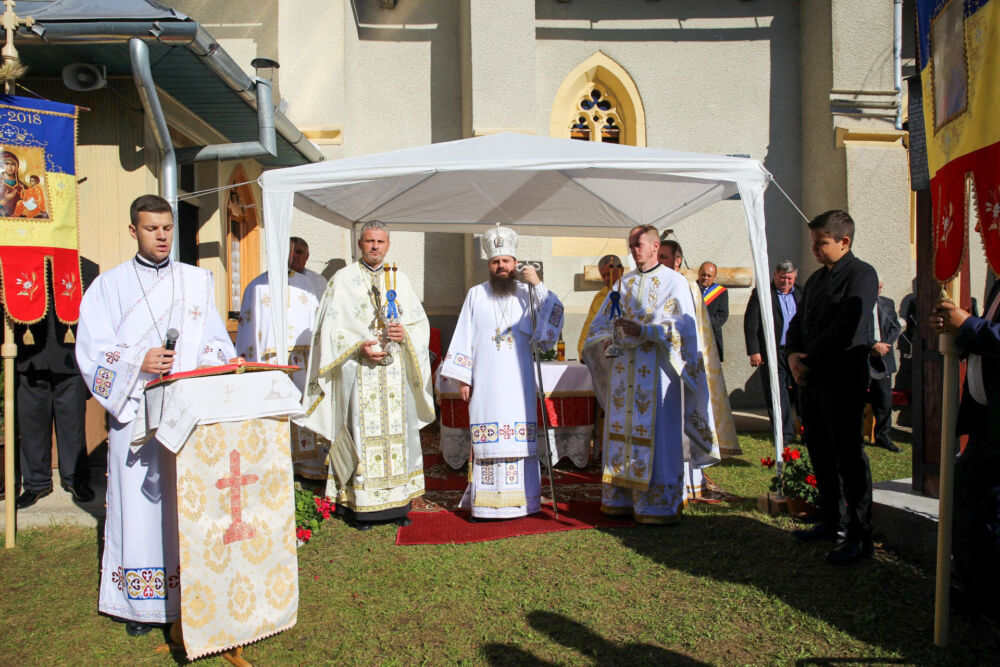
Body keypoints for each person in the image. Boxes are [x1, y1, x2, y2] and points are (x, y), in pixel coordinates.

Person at [75, 194, 235, 636]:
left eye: (166, 228)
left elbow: (217, 342)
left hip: (183, 409)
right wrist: (136, 362)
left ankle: (192, 592)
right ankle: (140, 604)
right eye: (151, 228)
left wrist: (206, 358)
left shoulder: (196, 282)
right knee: (139, 508)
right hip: (135, 413)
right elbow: (91, 351)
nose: (161, 236)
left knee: (186, 501)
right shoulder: (108, 287)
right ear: (133, 231)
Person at [301, 221, 433, 530]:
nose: (375, 246)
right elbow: (328, 330)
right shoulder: (342, 280)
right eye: (369, 241)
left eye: (380, 241)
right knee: (359, 433)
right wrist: (359, 345)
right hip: (358, 373)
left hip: (394, 374)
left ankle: (398, 505)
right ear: (360, 245)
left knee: (397, 436)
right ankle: (359, 507)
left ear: (388, 245)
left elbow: (419, 323)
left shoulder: (400, 279)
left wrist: (405, 334)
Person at [583, 225, 720, 523]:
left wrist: (644, 330)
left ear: (655, 245)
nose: (633, 249)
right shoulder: (623, 283)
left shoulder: (675, 282)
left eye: (639, 243)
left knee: (659, 435)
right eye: (631, 244)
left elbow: (684, 331)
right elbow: (599, 326)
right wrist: (604, 340)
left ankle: (657, 505)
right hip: (624, 376)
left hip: (658, 375)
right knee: (621, 434)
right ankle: (622, 499)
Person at [440, 225, 564, 520]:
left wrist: (538, 284)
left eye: (506, 261)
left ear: (515, 262)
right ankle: (485, 505)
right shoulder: (475, 295)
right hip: (485, 383)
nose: (501, 267)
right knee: (487, 439)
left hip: (518, 383)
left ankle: (524, 502)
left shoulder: (527, 293)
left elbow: (551, 323)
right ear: (489, 265)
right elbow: (463, 336)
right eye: (496, 262)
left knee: (519, 439)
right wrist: (462, 377)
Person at [787, 210, 878, 564]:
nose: (814, 250)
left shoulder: (861, 275)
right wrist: (793, 354)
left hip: (841, 378)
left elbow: (847, 327)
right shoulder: (817, 278)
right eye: (813, 243)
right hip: (811, 379)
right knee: (820, 452)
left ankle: (858, 534)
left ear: (844, 241)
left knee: (848, 457)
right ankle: (831, 519)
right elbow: (798, 320)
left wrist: (807, 361)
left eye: (821, 243)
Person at [931, 277, 1000, 620]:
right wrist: (958, 331)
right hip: (986, 423)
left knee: (992, 514)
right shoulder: (999, 284)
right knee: (970, 504)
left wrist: (968, 324)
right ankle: (979, 593)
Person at [237, 237, 328, 479]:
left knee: (303, 414)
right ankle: (273, 471)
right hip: (269, 365)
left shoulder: (307, 285)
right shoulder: (256, 286)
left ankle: (308, 472)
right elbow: (247, 328)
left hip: (303, 364)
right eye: (287, 252)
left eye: (297, 253)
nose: (291, 258)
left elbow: (318, 328)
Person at [9, 260, 97, 509]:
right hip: (29, 357)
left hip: (69, 356)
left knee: (73, 424)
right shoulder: (15, 263)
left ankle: (75, 479)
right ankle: (36, 483)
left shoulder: (84, 267)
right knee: (31, 424)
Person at [744, 260, 802, 446]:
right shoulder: (762, 293)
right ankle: (784, 433)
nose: (786, 281)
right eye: (782, 277)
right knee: (777, 393)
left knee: (803, 392)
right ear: (775, 275)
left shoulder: (800, 293)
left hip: (797, 351)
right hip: (772, 351)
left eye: (790, 278)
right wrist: (755, 351)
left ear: (795, 277)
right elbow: (751, 323)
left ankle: (806, 431)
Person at [867, 280, 901, 452]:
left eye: (880, 287)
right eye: (875, 287)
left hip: (883, 358)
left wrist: (884, 345)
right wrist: (872, 345)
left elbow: (895, 327)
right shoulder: (859, 303)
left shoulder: (887, 303)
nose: (878, 291)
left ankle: (883, 436)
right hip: (865, 357)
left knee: (884, 401)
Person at [577, 254, 623, 359]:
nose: (606, 279)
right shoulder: (599, 297)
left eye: (610, 274)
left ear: (621, 271)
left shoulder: (632, 292)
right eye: (603, 275)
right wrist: (583, 355)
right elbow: (588, 328)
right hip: (603, 357)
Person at [697, 261, 728, 361]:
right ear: (699, 273)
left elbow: (722, 314)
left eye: (709, 276)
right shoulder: (690, 288)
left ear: (714, 276)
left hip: (711, 337)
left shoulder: (721, 292)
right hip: (693, 336)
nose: (705, 278)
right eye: (703, 274)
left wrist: (705, 326)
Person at [1, 150, 25, 217]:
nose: (10, 167)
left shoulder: (22, 186)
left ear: (17, 167)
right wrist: (5, 200)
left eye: (13, 164)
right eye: (7, 164)